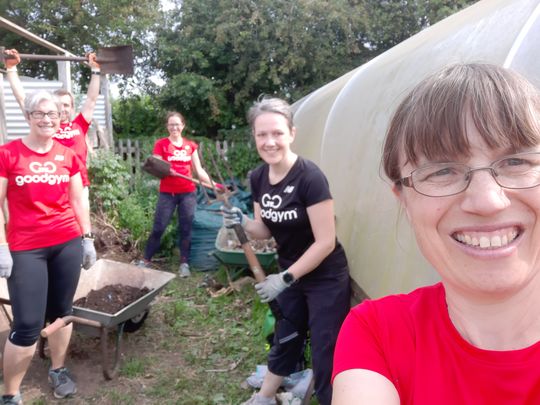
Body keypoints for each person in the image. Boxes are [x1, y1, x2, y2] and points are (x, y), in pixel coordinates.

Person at [332, 63, 540, 404]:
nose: (487, 201)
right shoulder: (379, 334)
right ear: (404, 200)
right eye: (443, 170)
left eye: (516, 162)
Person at [223, 97, 350, 405]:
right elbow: (265, 229)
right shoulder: (258, 178)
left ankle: (327, 397)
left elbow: (325, 242)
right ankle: (265, 398)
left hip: (324, 277)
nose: (269, 142)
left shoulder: (310, 177)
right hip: (289, 268)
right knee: (287, 334)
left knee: (325, 347)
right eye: (261, 134)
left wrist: (285, 278)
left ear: (291, 133)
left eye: (277, 133)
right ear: (253, 136)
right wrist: (242, 222)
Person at [0, 91, 96, 405]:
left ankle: (58, 368)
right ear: (28, 116)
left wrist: (87, 238)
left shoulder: (68, 155)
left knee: (61, 313)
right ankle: (11, 394)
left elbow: (78, 200)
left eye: (52, 114)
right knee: (27, 324)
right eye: (40, 114)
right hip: (26, 247)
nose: (47, 119)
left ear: (60, 118)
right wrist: (1, 246)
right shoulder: (9, 154)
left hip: (66, 242)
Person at [3, 48, 101, 209]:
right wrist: (12, 69)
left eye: (67, 105)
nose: (63, 109)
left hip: (78, 185)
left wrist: (96, 70)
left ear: (72, 108)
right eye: (59, 105)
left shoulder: (79, 125)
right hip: (52, 184)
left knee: (81, 228)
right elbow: (22, 99)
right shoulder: (44, 125)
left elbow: (91, 99)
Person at [139, 111, 215, 277]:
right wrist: (167, 170)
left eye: (177, 124)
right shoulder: (161, 144)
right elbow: (155, 165)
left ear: (183, 126)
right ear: (167, 126)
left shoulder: (190, 146)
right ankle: (146, 260)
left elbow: (199, 171)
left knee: (186, 228)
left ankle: (184, 264)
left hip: (188, 193)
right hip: (167, 193)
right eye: (171, 124)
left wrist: (215, 185)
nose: (174, 127)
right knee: (159, 227)